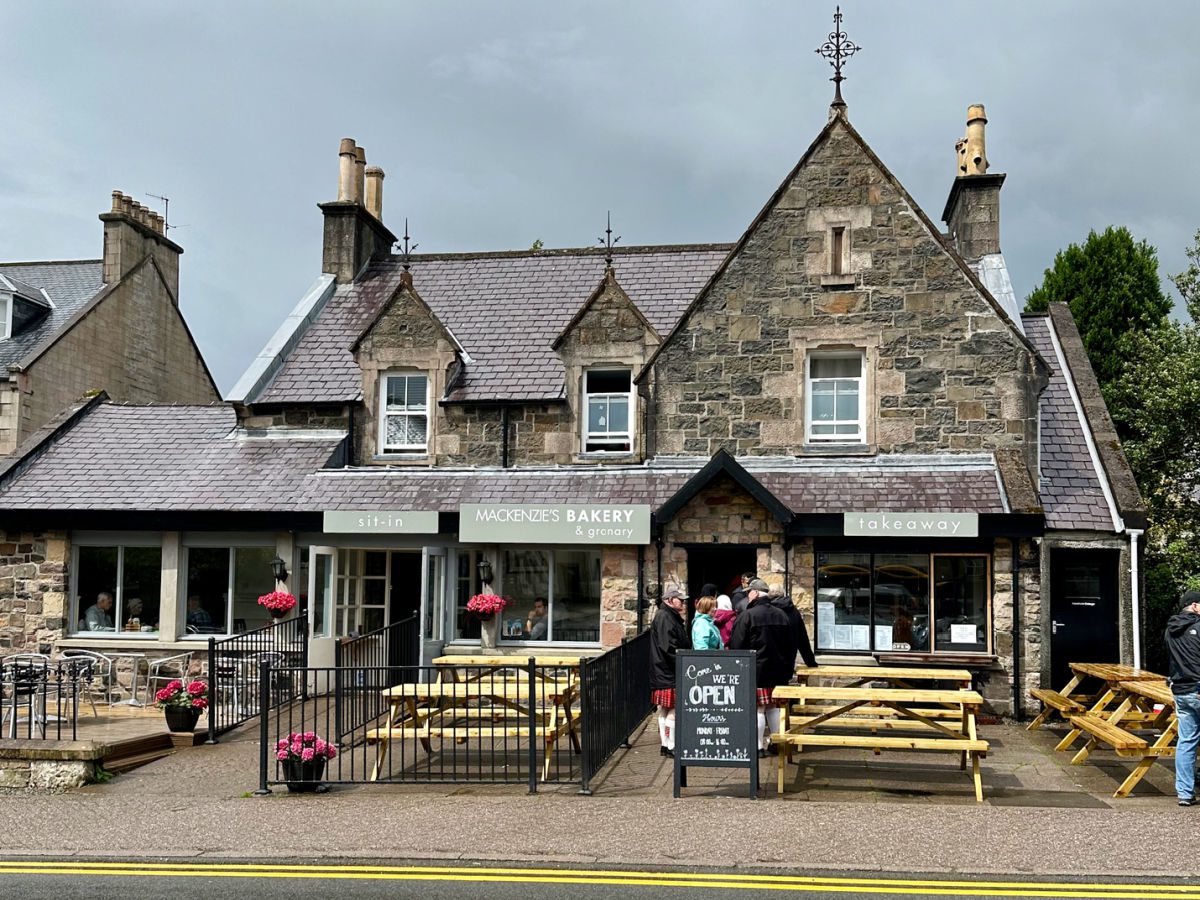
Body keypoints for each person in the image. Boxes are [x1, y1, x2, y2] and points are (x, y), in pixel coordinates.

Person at [729, 578, 795, 757]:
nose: (747, 596)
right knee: (773, 706)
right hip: (779, 671)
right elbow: (791, 646)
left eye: (749, 592)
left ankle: (757, 747)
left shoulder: (747, 615)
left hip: (755, 671)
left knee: (758, 708)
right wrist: (788, 669)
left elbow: (736, 645)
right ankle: (776, 742)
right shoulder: (782, 615)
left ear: (755, 593)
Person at [1166, 588, 1200, 806]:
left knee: (1186, 742)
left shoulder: (1170, 630)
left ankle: (1185, 793)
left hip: (1181, 690)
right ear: (1195, 606)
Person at [650, 587, 691, 757]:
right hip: (668, 671)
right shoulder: (666, 617)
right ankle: (671, 746)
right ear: (669, 600)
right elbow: (668, 648)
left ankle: (665, 745)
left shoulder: (666, 615)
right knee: (674, 709)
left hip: (663, 670)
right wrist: (684, 662)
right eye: (680, 599)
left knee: (665, 710)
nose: (683, 602)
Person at [769, 586, 818, 669]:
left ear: (768, 594)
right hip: (789, 659)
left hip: (769, 660)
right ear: (783, 594)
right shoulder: (793, 611)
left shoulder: (767, 611)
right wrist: (810, 662)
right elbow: (803, 639)